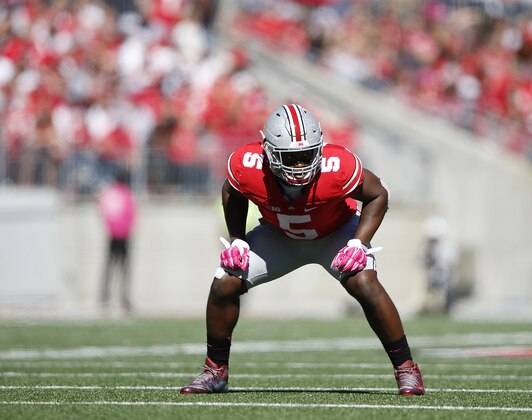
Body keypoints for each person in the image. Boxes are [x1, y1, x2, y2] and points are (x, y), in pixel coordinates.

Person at [180, 104, 425, 396]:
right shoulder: (248, 164)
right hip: (279, 235)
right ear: (269, 152)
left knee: (364, 283)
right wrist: (237, 239)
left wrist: (358, 242)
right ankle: (214, 371)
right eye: (290, 157)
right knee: (225, 281)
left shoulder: (338, 165)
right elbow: (232, 190)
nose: (299, 165)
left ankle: (406, 369)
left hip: (335, 233)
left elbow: (378, 194)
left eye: (306, 155)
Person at [98, 169, 137, 315]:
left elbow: (104, 211)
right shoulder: (127, 194)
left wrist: (110, 228)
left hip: (112, 235)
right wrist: (126, 230)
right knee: (124, 269)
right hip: (124, 236)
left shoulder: (109, 194)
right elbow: (132, 214)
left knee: (109, 267)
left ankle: (104, 297)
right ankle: (124, 298)